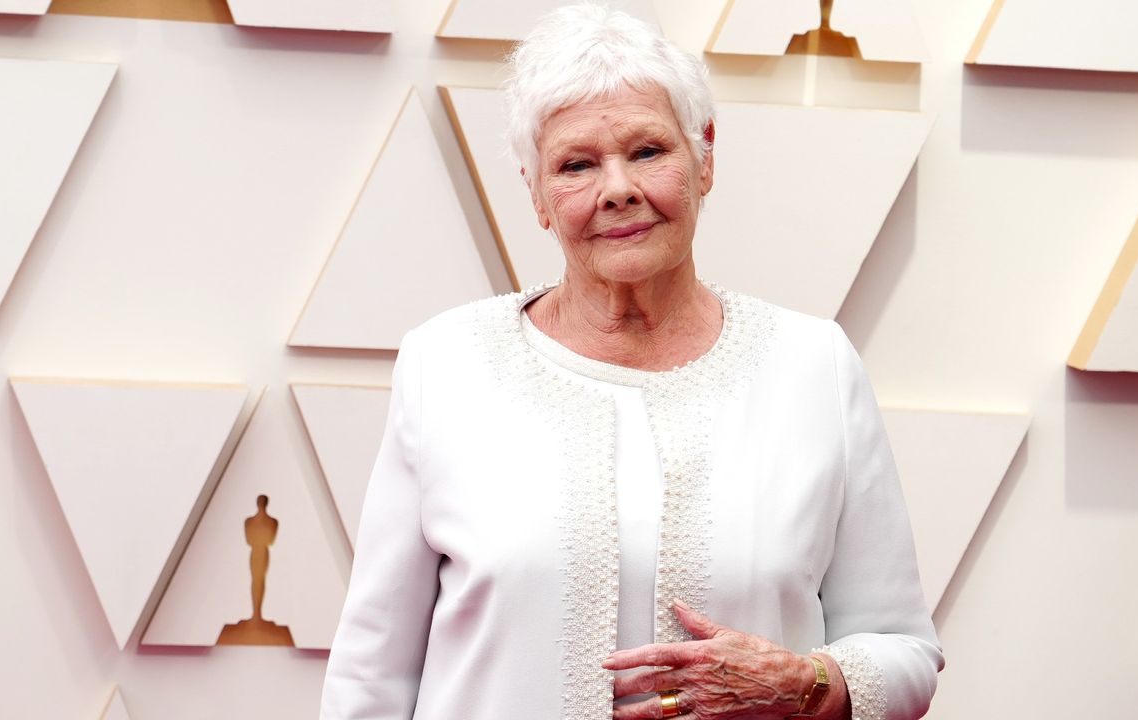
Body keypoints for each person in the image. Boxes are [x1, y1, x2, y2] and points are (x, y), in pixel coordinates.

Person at [318, 4, 943, 719]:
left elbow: (906, 653)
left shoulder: (814, 366)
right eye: (577, 165)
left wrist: (802, 682)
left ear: (704, 158)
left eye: (647, 151)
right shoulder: (447, 365)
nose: (617, 188)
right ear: (538, 195)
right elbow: (370, 678)